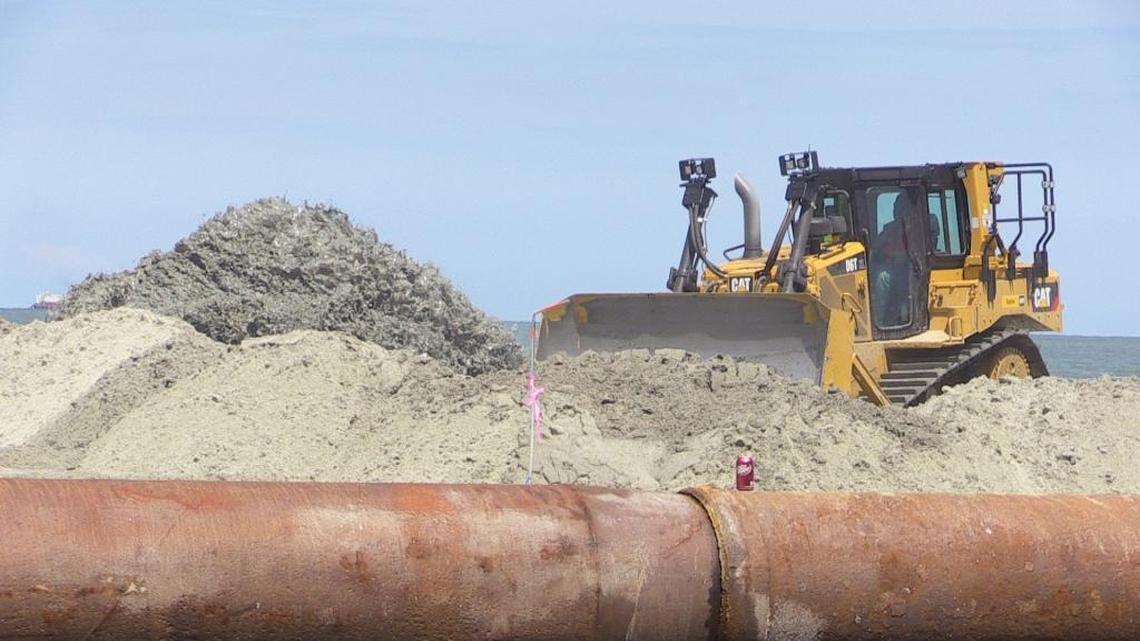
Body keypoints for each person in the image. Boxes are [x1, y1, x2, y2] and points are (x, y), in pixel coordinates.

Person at [871, 193, 913, 327]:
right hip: (891, 268)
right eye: (896, 207)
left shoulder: (916, 229)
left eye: (901, 207)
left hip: (912, 269)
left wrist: (901, 258)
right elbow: (876, 249)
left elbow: (917, 254)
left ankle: (905, 316)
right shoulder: (888, 229)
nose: (898, 211)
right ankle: (879, 319)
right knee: (882, 277)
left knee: (903, 281)